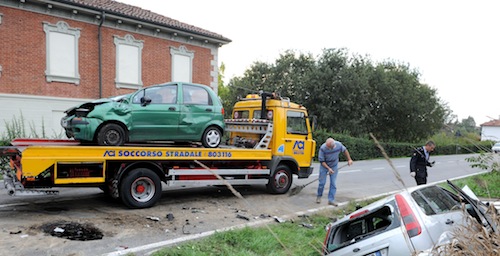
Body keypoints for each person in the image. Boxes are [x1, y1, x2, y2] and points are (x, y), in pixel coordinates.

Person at [316, 138, 353, 206]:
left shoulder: (338, 145)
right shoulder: (323, 148)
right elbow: (322, 161)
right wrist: (328, 169)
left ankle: (331, 200)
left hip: (334, 165)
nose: (330, 148)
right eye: (329, 147)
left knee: (333, 183)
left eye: (331, 147)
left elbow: (345, 150)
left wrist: (349, 159)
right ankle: (319, 196)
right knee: (322, 183)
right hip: (324, 166)